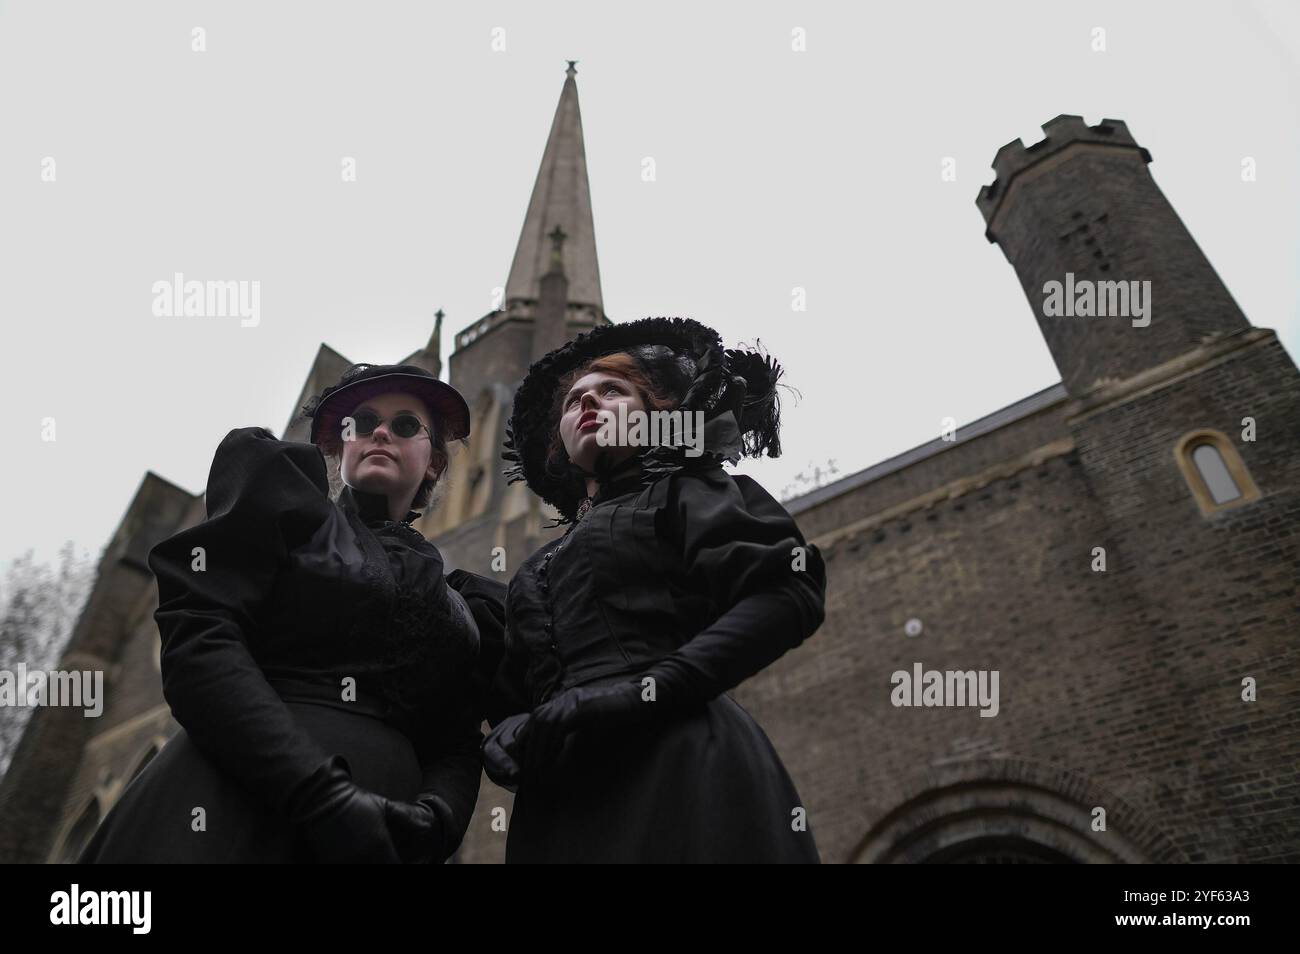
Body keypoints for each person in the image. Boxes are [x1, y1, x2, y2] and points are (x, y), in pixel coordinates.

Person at [79, 363, 506, 863]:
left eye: (406, 425)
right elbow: (200, 646)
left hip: (380, 841)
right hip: (235, 804)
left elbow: (456, 736)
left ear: (433, 462)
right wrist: (316, 790)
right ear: (341, 448)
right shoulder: (287, 515)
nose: (381, 432)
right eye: (362, 423)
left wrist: (438, 818)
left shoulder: (464, 603)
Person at [484, 316, 827, 862]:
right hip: (560, 804)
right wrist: (506, 732)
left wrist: (648, 688)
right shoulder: (535, 568)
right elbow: (514, 691)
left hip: (680, 763)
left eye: (612, 390)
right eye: (574, 401)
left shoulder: (691, 492)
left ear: (656, 417)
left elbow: (786, 593)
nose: (588, 403)